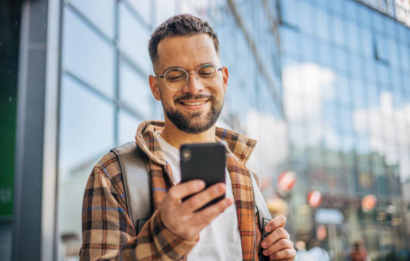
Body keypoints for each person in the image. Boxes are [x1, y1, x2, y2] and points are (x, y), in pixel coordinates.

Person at [80, 14, 296, 261]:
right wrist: (163, 238)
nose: (194, 87)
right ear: (155, 87)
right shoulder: (112, 173)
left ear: (223, 79)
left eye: (205, 71)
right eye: (175, 75)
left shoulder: (247, 177)